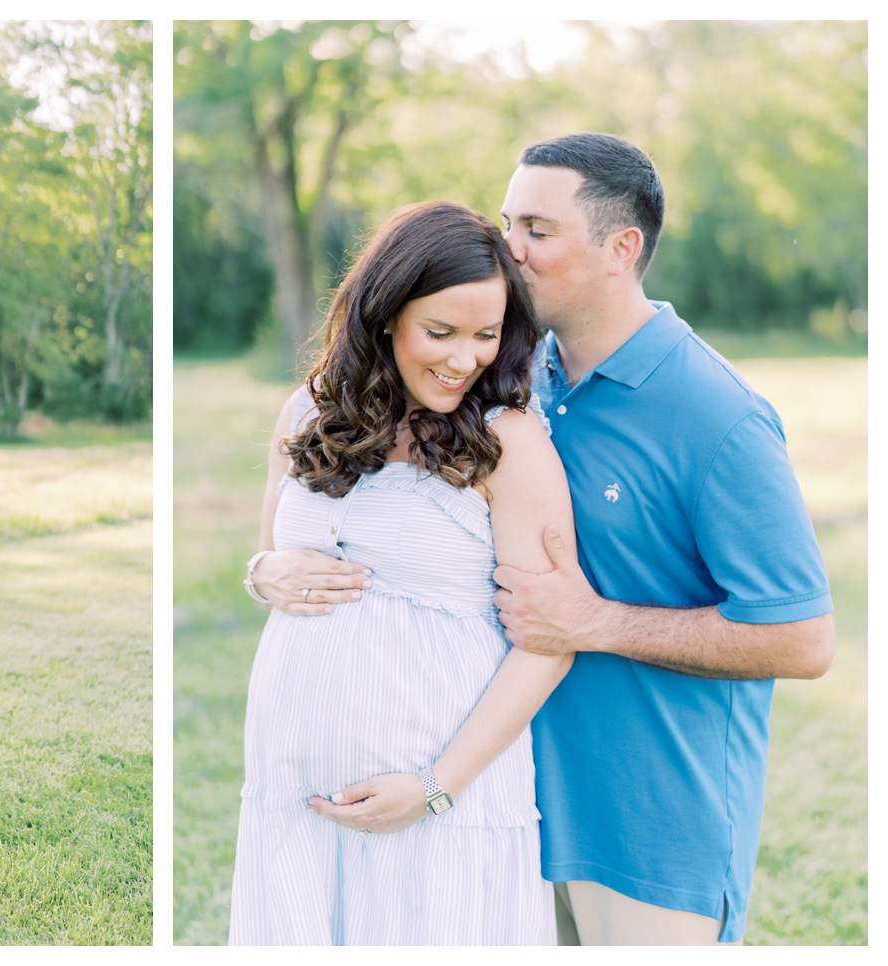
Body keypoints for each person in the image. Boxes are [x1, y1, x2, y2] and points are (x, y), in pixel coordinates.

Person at [251, 133, 835, 945]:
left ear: (620, 249)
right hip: (522, 793)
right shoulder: (519, 384)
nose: (508, 250)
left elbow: (804, 639)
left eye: (536, 229)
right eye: (505, 221)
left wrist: (597, 623)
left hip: (647, 824)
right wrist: (269, 569)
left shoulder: (718, 416)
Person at [229, 201, 576, 945]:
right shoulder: (306, 413)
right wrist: (264, 575)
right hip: (295, 788)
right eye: (440, 332)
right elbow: (270, 559)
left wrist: (434, 790)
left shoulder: (508, 444)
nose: (464, 358)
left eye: (487, 335)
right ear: (384, 315)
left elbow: (550, 642)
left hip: (444, 798)